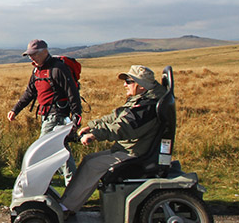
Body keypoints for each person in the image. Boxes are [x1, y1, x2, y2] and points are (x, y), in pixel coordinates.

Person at [59, 65, 167, 212]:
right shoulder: (141, 100)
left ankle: (66, 208)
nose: (125, 85)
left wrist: (95, 135)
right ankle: (66, 202)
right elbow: (116, 116)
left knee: (93, 166)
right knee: (88, 160)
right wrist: (92, 126)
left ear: (141, 86)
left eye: (129, 81)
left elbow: (122, 128)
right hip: (128, 149)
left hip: (134, 154)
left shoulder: (146, 108)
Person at [7, 39, 82, 186]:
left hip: (57, 116)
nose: (31, 57)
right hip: (46, 116)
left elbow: (72, 92)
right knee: (60, 149)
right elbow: (30, 92)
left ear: (45, 52)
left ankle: (34, 183)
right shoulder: (37, 71)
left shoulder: (58, 69)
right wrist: (15, 109)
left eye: (34, 54)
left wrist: (77, 116)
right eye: (29, 54)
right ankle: (72, 185)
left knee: (40, 149)